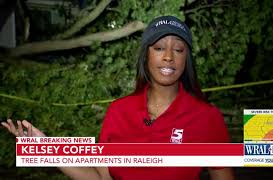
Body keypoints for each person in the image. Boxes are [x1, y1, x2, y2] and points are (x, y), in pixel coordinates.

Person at [1, 15, 235, 180]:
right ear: (146, 56)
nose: (168, 57)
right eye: (159, 48)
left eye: (179, 49)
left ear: (187, 59)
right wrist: (47, 147)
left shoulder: (206, 117)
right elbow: (100, 176)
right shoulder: (118, 111)